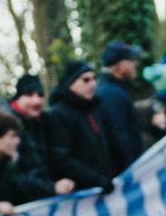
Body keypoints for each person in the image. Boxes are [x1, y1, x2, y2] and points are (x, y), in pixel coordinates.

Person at [44, 60, 115, 193]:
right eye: (86, 80)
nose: (92, 84)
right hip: (82, 192)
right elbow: (62, 158)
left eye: (94, 78)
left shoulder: (92, 108)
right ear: (71, 83)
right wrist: (97, 179)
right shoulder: (58, 114)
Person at [96, 40, 152, 170]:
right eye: (131, 60)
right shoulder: (111, 95)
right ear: (119, 65)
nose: (135, 63)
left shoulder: (114, 90)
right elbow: (121, 138)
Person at [7, 74, 55, 179]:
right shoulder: (5, 124)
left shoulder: (44, 120)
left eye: (40, 95)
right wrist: (51, 187)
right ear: (18, 98)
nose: (36, 101)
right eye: (29, 95)